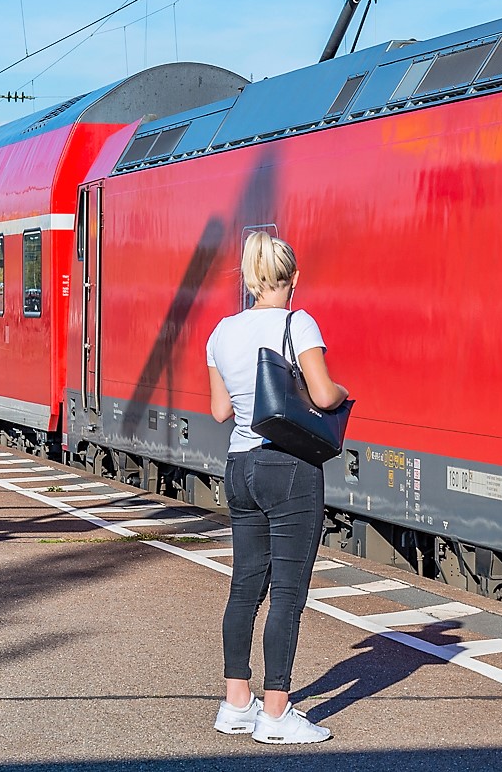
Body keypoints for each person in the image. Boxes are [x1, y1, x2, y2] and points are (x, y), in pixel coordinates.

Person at [206, 230, 348, 745]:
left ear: (247, 280)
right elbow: (325, 394)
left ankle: (235, 703)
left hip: (239, 467)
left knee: (245, 587)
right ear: (293, 279)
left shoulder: (221, 332)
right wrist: (343, 393)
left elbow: (221, 411)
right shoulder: (298, 323)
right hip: (288, 468)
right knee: (287, 593)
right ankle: (276, 712)